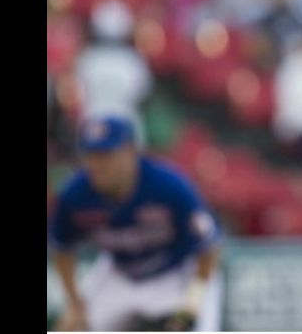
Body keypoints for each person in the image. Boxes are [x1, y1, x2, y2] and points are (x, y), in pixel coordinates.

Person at [49, 115, 222, 331]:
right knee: (71, 328)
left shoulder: (169, 186)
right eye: (91, 155)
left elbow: (208, 249)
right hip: (121, 272)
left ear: (131, 151)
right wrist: (75, 304)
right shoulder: (75, 194)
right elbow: (61, 248)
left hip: (177, 271)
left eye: (106, 155)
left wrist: (192, 305)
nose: (97, 164)